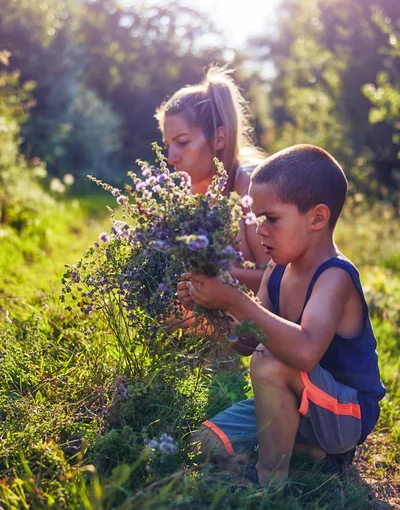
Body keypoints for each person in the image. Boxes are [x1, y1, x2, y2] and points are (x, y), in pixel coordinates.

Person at [179, 144, 386, 487]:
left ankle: (271, 483)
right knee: (204, 443)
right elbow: (244, 343)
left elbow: (303, 353)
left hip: (344, 413)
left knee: (270, 361)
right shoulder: (276, 269)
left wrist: (237, 300)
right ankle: (308, 450)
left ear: (317, 218)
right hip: (297, 401)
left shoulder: (334, 277)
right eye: (257, 219)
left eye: (271, 218)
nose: (260, 230)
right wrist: (214, 306)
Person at [155, 65, 268, 295]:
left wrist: (211, 278)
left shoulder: (250, 189)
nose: (171, 158)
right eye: (169, 146)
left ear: (219, 138)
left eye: (183, 142)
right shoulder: (193, 195)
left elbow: (280, 278)